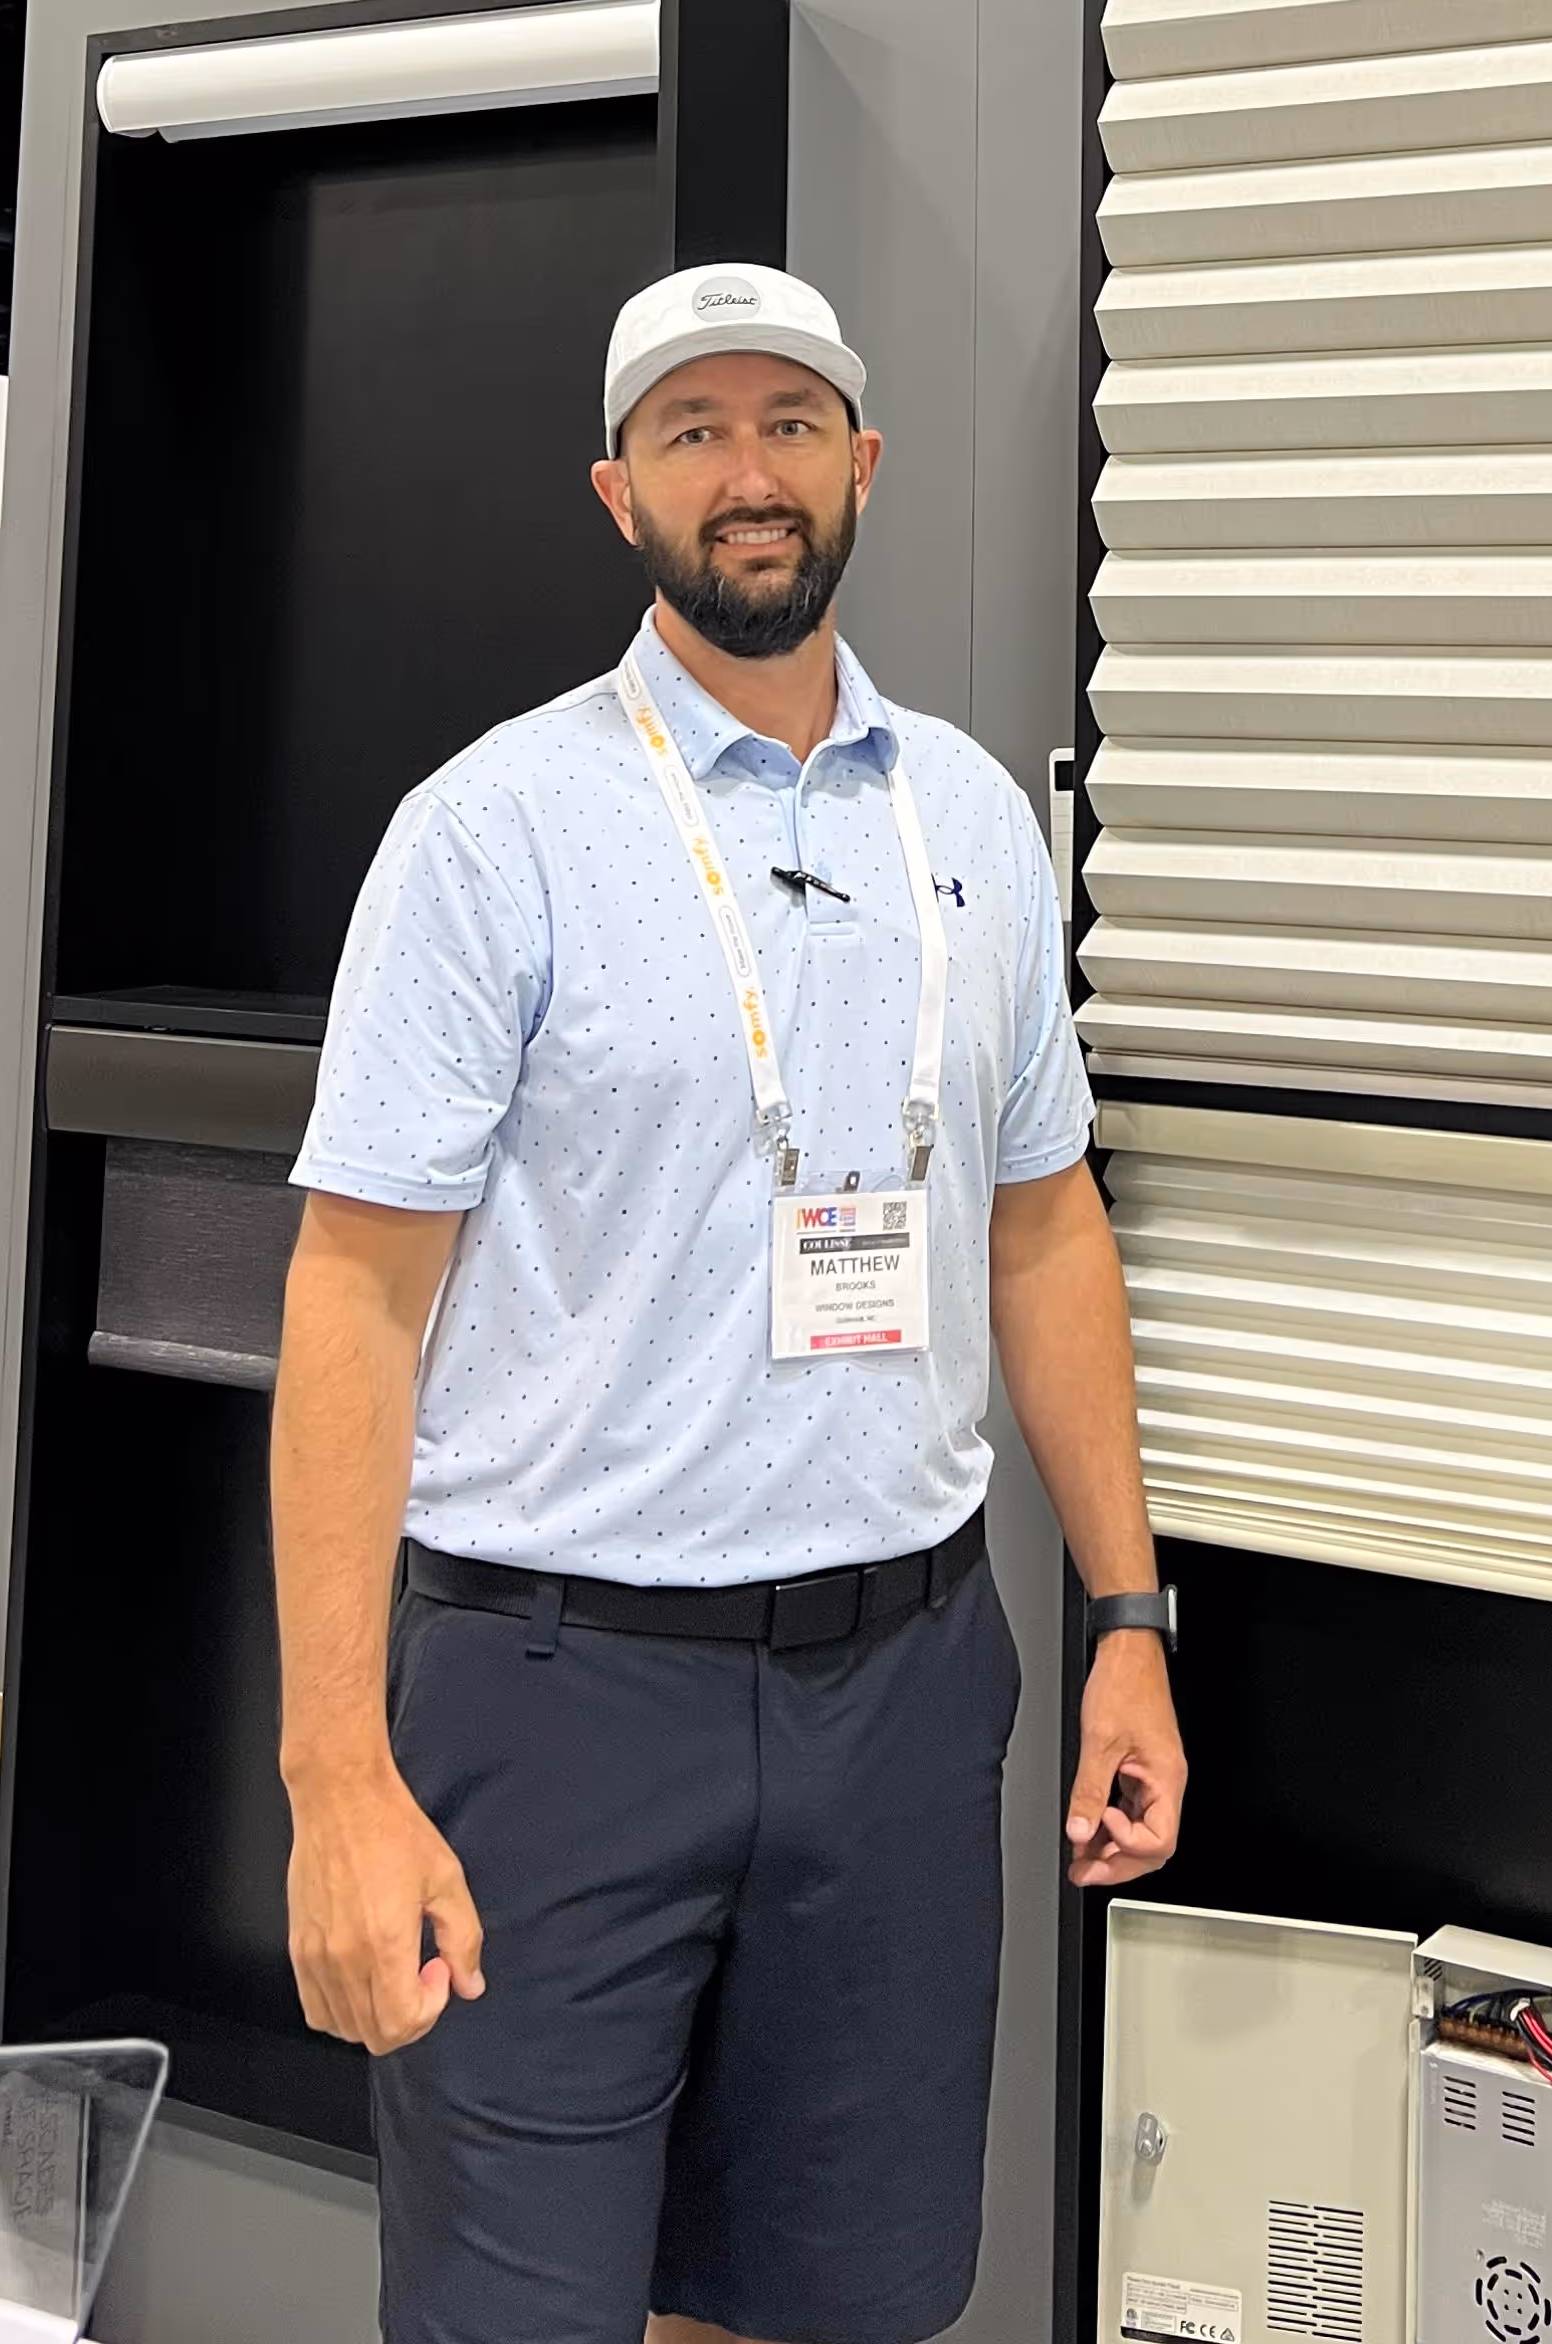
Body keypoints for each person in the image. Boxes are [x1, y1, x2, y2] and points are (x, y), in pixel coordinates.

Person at [273, 259, 1186, 2344]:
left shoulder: (972, 822)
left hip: (906, 1675)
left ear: (862, 465)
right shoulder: (494, 832)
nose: (746, 471)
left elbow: (1044, 1232)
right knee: (518, 2313)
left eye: (788, 423)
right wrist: (338, 1772)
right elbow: (350, 1302)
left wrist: (1128, 1622)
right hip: (555, 1696)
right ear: (620, 493)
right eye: (693, 431)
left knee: (833, 2301)